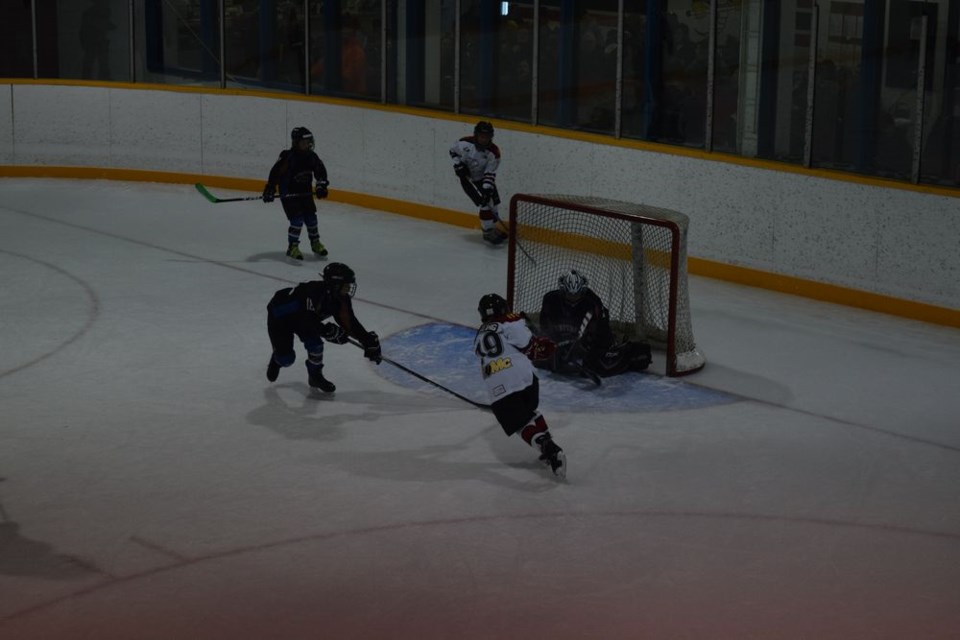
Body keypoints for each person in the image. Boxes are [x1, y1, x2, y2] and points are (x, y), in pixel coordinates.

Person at [474, 293, 566, 479]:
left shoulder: (478, 336)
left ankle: (549, 448)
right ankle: (547, 443)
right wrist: (547, 347)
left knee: (519, 423)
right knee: (528, 412)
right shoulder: (512, 320)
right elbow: (531, 347)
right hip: (527, 380)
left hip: (499, 388)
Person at [266, 262, 381, 393]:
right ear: (336, 284)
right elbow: (305, 318)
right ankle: (277, 359)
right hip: (281, 320)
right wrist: (327, 331)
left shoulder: (340, 298)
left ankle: (315, 376)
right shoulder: (311, 292)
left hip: (305, 320)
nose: (349, 288)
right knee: (286, 360)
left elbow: (349, 323)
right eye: (346, 284)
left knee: (316, 345)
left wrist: (367, 340)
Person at [536, 269, 651, 378]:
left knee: (601, 367)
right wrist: (555, 344)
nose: (573, 298)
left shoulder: (593, 302)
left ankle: (623, 346)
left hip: (588, 343)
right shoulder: (550, 299)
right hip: (563, 342)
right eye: (569, 295)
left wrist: (585, 346)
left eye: (576, 295)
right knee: (538, 357)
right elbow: (546, 325)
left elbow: (600, 333)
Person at [262, 127, 330, 261]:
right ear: (296, 142)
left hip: (305, 192)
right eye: (304, 142)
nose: (308, 144)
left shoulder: (311, 156)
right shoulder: (288, 157)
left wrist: (321, 185)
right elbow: (275, 172)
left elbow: (320, 171)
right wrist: (270, 188)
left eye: (309, 141)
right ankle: (292, 247)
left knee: (311, 218)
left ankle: (315, 243)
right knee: (297, 220)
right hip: (289, 194)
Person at [449, 121, 507, 245]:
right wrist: (458, 165)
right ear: (476, 135)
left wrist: (486, 188)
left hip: (482, 178)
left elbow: (490, 172)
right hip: (467, 180)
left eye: (487, 137)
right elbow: (453, 151)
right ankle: (487, 232)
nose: (484, 139)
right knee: (484, 204)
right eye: (481, 136)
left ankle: (492, 227)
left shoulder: (494, 152)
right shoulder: (465, 143)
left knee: (493, 202)